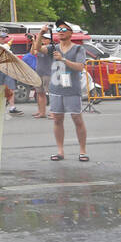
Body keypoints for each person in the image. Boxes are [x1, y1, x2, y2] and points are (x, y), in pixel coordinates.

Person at [38, 21, 89, 162]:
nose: (60, 31)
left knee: (77, 119)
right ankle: (60, 151)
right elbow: (37, 49)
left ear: (71, 33)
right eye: (58, 29)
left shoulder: (78, 49)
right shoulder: (52, 47)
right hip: (55, 89)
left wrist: (63, 59)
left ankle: (82, 151)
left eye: (64, 29)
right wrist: (40, 34)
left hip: (72, 90)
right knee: (57, 119)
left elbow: (80, 67)